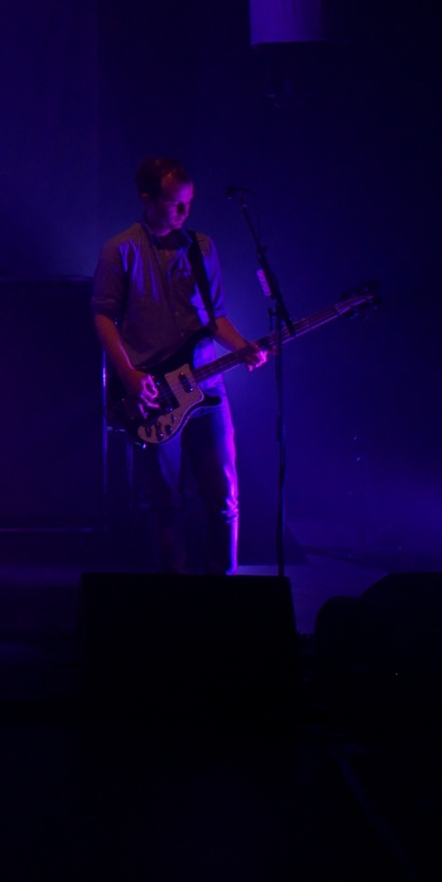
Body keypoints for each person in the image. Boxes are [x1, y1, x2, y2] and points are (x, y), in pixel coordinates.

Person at [92, 159, 270, 574]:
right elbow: (102, 316)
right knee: (165, 502)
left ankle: (224, 586)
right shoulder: (120, 249)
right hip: (155, 391)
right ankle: (172, 593)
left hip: (208, 386)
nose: (184, 213)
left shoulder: (202, 247)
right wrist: (128, 374)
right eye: (175, 204)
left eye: (189, 203)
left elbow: (215, 316)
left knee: (223, 495)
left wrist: (242, 347)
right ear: (147, 199)